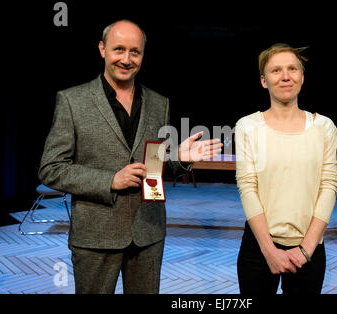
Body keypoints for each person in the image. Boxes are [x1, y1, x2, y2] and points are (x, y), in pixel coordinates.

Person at [38, 19, 222, 294]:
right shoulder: (72, 101)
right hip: (95, 236)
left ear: (143, 55)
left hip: (149, 233)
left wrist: (180, 158)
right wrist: (111, 180)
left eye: (134, 52)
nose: (126, 59)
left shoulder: (159, 103)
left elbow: (153, 166)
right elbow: (51, 168)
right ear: (102, 49)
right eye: (118, 49)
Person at [235, 43, 337, 294]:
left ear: (302, 77)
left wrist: (306, 249)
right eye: (276, 70)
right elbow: (247, 187)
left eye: (292, 68)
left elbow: (328, 186)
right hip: (258, 248)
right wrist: (269, 251)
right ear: (263, 81)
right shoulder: (247, 126)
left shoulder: (323, 127)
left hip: (310, 247)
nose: (285, 76)